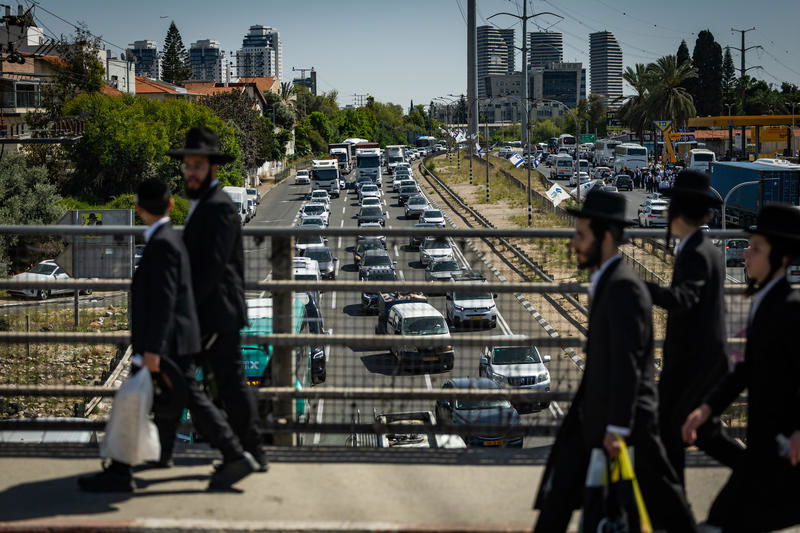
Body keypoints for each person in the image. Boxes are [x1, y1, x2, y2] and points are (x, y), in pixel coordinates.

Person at [78, 179, 258, 492]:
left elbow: (163, 301)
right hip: (170, 341)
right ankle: (135, 464)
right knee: (168, 400)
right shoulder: (169, 239)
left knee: (164, 400)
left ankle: (230, 454)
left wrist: (153, 351)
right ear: (170, 205)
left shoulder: (161, 245)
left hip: (165, 344)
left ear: (137, 208)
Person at [533, 191, 697, 533]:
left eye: (580, 235)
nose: (574, 244)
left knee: (662, 498)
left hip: (628, 417)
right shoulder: (607, 281)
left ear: (605, 237)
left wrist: (618, 428)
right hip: (598, 410)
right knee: (561, 493)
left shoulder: (624, 287)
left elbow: (629, 363)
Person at [683, 204, 800, 533]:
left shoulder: (788, 308)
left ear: (781, 258)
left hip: (781, 445)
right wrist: (706, 409)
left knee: (726, 519)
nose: (746, 254)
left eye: (756, 248)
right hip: (766, 444)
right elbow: (746, 370)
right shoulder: (764, 302)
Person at [168, 126, 268, 472]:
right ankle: (247, 451)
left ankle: (242, 452)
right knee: (225, 385)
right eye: (187, 166)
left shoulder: (219, 207)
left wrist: (186, 313)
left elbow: (210, 269)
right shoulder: (206, 204)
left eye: (196, 166)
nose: (189, 172)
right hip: (212, 313)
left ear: (212, 168)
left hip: (215, 314)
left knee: (217, 385)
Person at [645, 171, 743, 488]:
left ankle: (674, 511)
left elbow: (685, 298)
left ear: (676, 211)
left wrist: (641, 287)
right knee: (696, 432)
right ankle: (675, 507)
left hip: (693, 364)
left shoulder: (695, 253)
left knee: (675, 431)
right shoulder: (705, 248)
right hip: (699, 361)